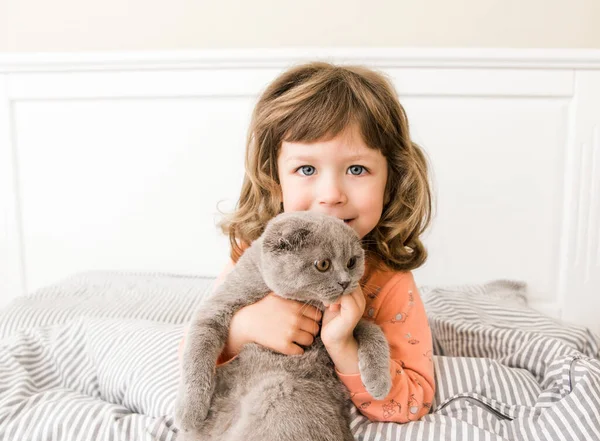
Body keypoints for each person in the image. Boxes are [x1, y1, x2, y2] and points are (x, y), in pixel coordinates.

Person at [179, 61, 435, 423]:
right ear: (275, 179)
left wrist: (345, 346)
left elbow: (414, 401)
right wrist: (243, 329)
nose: (330, 195)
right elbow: (192, 353)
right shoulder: (258, 258)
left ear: (390, 180)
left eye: (357, 169)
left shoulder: (389, 281)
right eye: (307, 169)